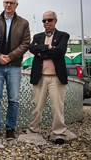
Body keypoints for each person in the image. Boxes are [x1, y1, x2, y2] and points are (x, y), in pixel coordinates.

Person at [28, 11, 72, 145]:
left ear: (55, 21)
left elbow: (60, 51)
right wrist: (48, 47)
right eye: (44, 20)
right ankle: (33, 130)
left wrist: (42, 52)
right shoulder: (37, 36)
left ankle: (59, 133)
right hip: (40, 77)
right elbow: (32, 49)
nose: (46, 22)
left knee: (57, 107)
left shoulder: (63, 35)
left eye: (49, 20)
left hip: (56, 78)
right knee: (37, 106)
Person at [0, 0, 31, 139]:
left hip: (14, 65)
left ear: (16, 5)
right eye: (6, 2)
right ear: (3, 3)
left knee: (13, 99)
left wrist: (10, 57)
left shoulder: (24, 23)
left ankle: (10, 129)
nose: (8, 5)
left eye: (11, 3)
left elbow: (26, 43)